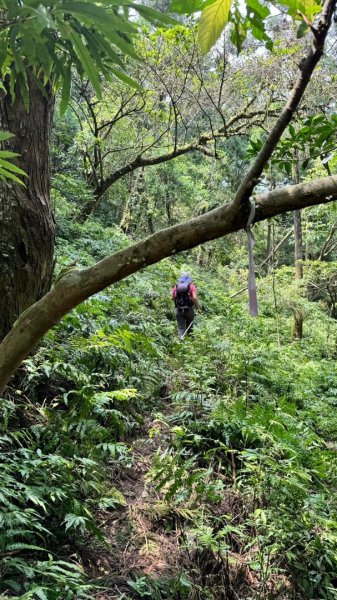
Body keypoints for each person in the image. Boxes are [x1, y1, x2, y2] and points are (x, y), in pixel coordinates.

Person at [171, 272, 200, 340]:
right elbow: (194, 298)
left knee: (181, 327)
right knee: (190, 327)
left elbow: (172, 298)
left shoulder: (176, 286)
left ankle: (181, 340)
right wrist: (198, 308)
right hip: (189, 310)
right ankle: (190, 342)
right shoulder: (191, 286)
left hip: (179, 310)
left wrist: (177, 296)